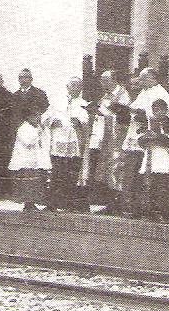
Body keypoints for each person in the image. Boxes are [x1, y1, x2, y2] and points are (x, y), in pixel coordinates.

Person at [121, 68, 169, 218]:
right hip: (138, 136)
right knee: (135, 175)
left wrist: (143, 115)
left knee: (147, 176)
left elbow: (164, 116)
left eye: (144, 79)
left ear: (153, 78)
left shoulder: (161, 93)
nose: (141, 82)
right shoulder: (145, 91)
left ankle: (147, 208)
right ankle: (134, 207)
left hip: (152, 140)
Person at [88, 70, 131, 214]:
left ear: (114, 80)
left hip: (118, 137)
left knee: (116, 167)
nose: (103, 83)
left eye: (106, 80)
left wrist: (106, 113)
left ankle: (116, 204)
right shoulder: (105, 96)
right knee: (107, 168)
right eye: (101, 80)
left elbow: (124, 116)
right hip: (106, 137)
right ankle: (109, 203)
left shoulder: (123, 95)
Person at [46, 77, 89, 211]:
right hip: (59, 141)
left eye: (77, 86)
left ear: (81, 89)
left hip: (74, 143)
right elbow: (46, 117)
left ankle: (69, 203)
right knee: (57, 172)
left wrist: (80, 122)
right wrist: (53, 121)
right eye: (72, 86)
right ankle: (52, 203)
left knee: (71, 174)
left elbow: (87, 120)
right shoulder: (57, 102)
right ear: (67, 87)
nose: (75, 89)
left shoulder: (84, 104)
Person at [137, 99, 169, 220]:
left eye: (159, 109)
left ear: (165, 110)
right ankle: (150, 210)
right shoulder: (148, 121)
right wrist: (146, 137)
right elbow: (140, 140)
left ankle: (164, 212)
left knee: (163, 186)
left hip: (165, 157)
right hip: (151, 156)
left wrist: (159, 137)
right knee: (150, 185)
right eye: (154, 109)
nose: (156, 112)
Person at [9, 111, 51, 211]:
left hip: (34, 161)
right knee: (27, 183)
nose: (37, 118)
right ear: (28, 117)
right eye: (35, 116)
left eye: (39, 116)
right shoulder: (23, 128)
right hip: (24, 161)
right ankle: (28, 204)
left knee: (34, 182)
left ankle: (31, 203)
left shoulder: (38, 128)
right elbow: (28, 142)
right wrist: (39, 133)